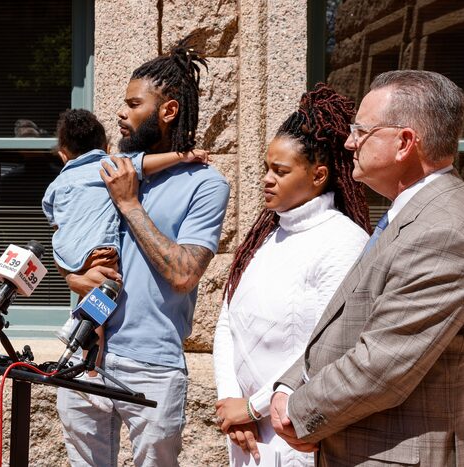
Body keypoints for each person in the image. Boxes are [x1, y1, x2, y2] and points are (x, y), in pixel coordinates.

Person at [269, 70, 464, 465]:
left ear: (404, 143)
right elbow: (344, 324)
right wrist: (288, 385)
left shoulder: (444, 230)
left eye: (362, 130)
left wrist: (297, 411)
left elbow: (383, 364)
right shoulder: (410, 215)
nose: (348, 141)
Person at [56, 38, 230, 466]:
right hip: (84, 354)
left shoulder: (206, 185)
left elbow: (185, 274)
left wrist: (130, 204)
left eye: (134, 104)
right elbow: (75, 238)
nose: (121, 113)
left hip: (151, 364)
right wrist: (73, 277)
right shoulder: (108, 169)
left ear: (167, 111)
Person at [212, 84, 370, 466]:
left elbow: (327, 349)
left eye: (280, 171)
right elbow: (227, 321)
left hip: (297, 435)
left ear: (318, 175)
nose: (267, 178)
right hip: (245, 435)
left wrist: (253, 406)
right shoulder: (266, 237)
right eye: (266, 168)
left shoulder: (344, 242)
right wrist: (232, 406)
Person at [44, 108, 208, 383]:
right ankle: (90, 367)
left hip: (69, 254)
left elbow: (53, 215)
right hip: (100, 251)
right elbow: (145, 163)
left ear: (62, 154)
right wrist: (185, 156)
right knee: (101, 300)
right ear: (106, 147)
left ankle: (82, 347)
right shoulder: (111, 164)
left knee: (90, 294)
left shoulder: (57, 184)